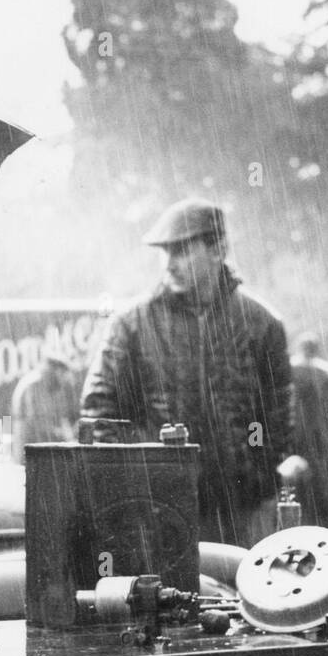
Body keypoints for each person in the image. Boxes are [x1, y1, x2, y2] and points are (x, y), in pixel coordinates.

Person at [81, 197, 293, 547]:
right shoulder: (132, 324)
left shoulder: (262, 324)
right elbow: (99, 412)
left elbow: (278, 419)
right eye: (164, 253)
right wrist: (131, 482)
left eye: (181, 251)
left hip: (238, 511)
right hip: (155, 510)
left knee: (235, 597)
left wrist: (257, 478)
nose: (169, 264)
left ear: (218, 250)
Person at [289, 333, 328, 526]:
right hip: (319, 440)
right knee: (319, 495)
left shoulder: (288, 369)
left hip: (292, 438)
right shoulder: (327, 372)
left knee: (291, 490)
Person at [9, 347, 81, 461]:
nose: (63, 380)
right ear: (55, 369)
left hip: (39, 454)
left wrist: (69, 436)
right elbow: (36, 425)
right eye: (62, 374)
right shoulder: (34, 385)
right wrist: (63, 436)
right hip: (28, 454)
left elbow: (60, 419)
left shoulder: (51, 388)